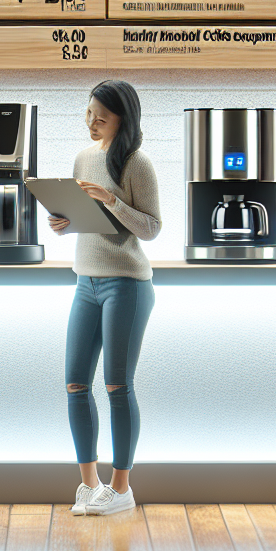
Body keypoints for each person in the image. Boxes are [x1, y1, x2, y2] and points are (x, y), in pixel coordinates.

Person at [48, 80, 161, 517]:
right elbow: (88, 222)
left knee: (117, 385)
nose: (92, 123)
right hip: (86, 282)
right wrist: (65, 220)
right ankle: (88, 485)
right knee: (76, 384)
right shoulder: (83, 157)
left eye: (102, 116)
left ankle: (121, 489)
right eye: (89, 113)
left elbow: (151, 228)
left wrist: (111, 199)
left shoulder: (137, 163)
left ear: (123, 119)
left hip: (126, 284)